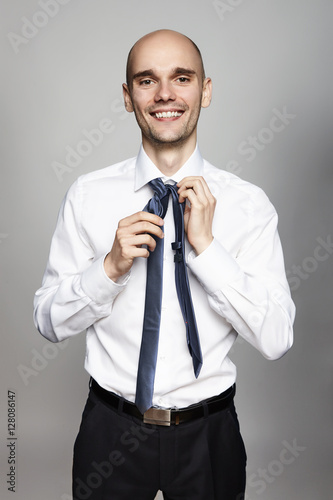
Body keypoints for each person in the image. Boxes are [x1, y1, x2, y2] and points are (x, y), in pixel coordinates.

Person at [34, 29, 295, 500]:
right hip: (110, 430)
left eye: (182, 78)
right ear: (128, 97)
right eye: (146, 81)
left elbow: (277, 338)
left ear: (206, 90)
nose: (165, 95)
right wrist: (109, 268)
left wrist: (208, 250)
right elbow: (49, 323)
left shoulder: (249, 205)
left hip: (209, 436)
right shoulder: (87, 195)